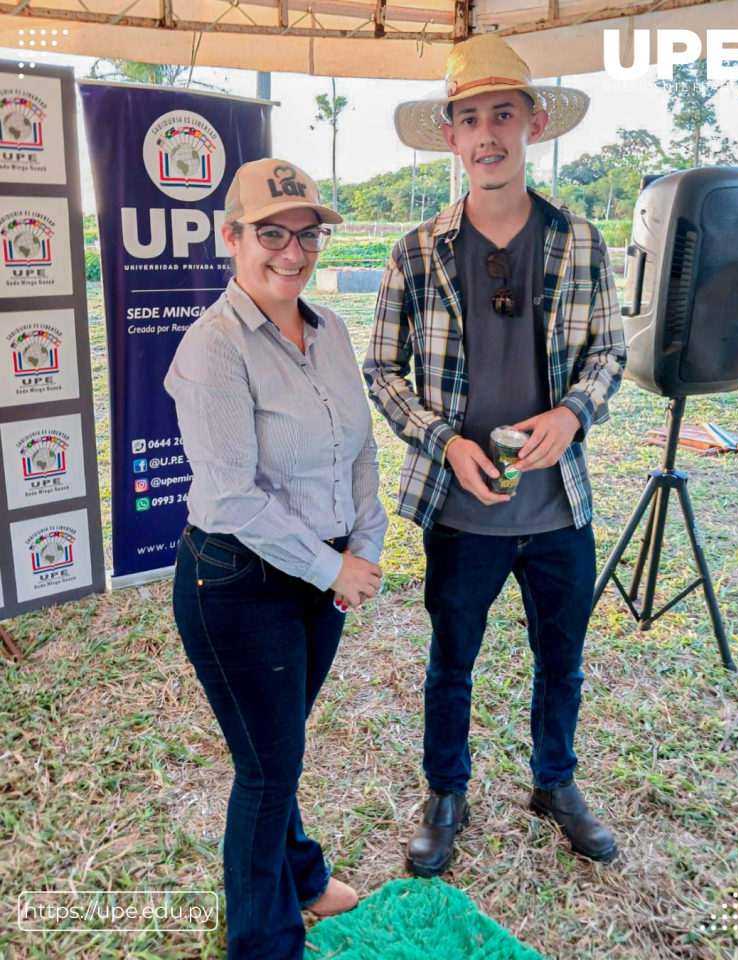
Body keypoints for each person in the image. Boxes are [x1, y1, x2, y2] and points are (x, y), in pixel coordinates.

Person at [364, 34, 626, 875]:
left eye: (502, 114)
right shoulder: (414, 252)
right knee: (452, 662)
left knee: (565, 659)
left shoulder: (580, 240)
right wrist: (443, 443)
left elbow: (610, 352)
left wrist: (576, 414)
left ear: (533, 123)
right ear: (450, 136)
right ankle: (448, 791)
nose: (487, 134)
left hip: (559, 510)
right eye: (469, 117)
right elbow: (381, 368)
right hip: (462, 513)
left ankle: (555, 781)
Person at [165, 158, 388, 960]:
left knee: (277, 742)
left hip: (320, 577)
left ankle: (297, 874)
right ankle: (264, 942)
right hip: (238, 584)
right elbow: (228, 499)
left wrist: (364, 542)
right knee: (267, 768)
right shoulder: (212, 349)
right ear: (232, 237)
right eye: (271, 234)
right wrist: (332, 569)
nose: (293, 252)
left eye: (307, 234)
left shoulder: (328, 327)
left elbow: (357, 447)